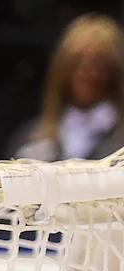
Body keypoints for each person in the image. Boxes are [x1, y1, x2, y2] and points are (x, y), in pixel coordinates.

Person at [12, 14, 124, 162]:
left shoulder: (119, 139)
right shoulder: (29, 138)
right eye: (78, 63)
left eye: (100, 64)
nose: (89, 74)